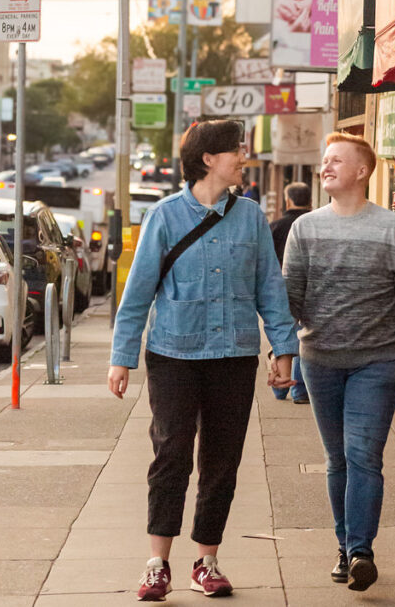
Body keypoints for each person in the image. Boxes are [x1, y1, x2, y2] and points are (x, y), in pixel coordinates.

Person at [107, 120, 297, 602]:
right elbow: (137, 293)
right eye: (235, 150)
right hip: (174, 353)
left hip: (233, 355)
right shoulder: (166, 216)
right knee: (171, 455)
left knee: (222, 462)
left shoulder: (251, 217)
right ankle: (157, 564)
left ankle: (206, 561)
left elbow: (269, 289)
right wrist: (121, 357)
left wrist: (284, 349)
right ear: (208, 159)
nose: (243, 156)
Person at [282, 132, 395, 592]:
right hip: (320, 360)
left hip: (379, 361)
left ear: (363, 171)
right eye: (324, 161)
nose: (325, 168)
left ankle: (361, 550)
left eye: (335, 161)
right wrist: (280, 354)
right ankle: (344, 546)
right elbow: (289, 299)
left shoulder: (393, 229)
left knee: (363, 454)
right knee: (336, 460)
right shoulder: (304, 228)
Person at [268, 181, 312, 404]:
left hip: (280, 290)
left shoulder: (275, 226)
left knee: (284, 334)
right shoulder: (315, 226)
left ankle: (279, 389)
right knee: (303, 337)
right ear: (310, 201)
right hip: (311, 290)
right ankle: (300, 391)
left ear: (287, 201)